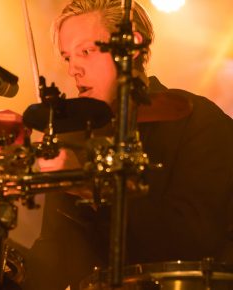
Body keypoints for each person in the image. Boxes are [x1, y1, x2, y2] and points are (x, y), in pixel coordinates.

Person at [22, 0, 233, 289]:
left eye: (86, 51)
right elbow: (56, 259)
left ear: (131, 47)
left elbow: (192, 245)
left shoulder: (196, 119)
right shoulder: (73, 140)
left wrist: (92, 186)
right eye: (67, 57)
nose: (74, 69)